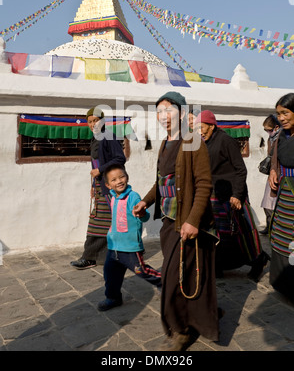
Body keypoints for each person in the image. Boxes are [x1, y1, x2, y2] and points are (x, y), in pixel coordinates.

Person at [133, 91, 219, 352]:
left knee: (174, 275)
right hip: (169, 220)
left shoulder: (193, 141)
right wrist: (146, 202)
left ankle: (180, 329)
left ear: (182, 113)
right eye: (159, 111)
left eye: (168, 110)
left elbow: (204, 184)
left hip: (187, 221)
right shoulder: (165, 143)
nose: (163, 116)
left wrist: (192, 221)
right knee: (187, 273)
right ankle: (199, 317)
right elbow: (161, 182)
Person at [195, 110, 269, 281]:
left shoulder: (225, 141)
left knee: (242, 233)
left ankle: (258, 259)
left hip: (231, 196)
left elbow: (240, 170)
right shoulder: (204, 142)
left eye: (202, 127)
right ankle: (218, 265)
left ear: (212, 126)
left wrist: (237, 195)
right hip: (214, 194)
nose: (199, 131)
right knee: (218, 234)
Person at [97, 164, 161, 311]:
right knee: (110, 275)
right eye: (114, 180)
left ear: (127, 177)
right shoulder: (112, 198)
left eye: (122, 177)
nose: (119, 181)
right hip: (113, 247)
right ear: (108, 185)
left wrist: (142, 213)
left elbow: (145, 218)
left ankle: (164, 283)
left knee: (142, 271)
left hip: (130, 247)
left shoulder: (133, 197)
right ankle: (113, 298)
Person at [70, 107, 126, 269]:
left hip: (112, 186)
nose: (93, 124)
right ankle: (103, 256)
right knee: (104, 221)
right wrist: (94, 186)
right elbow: (96, 163)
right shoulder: (96, 138)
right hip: (101, 186)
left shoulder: (109, 136)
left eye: (96, 120)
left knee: (100, 221)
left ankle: (90, 258)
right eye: (90, 121)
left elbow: (119, 158)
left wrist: (100, 171)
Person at [269, 93, 294, 301]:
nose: (282, 118)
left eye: (285, 112)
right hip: (285, 193)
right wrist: (274, 171)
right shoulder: (282, 136)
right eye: (279, 114)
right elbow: (276, 160)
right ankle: (283, 283)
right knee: (281, 236)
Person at [259, 114, 281, 235]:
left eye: (270, 130)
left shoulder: (282, 138)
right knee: (267, 204)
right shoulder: (270, 139)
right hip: (272, 175)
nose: (268, 132)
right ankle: (270, 226)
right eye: (266, 130)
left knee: (274, 204)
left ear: (276, 128)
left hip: (279, 175)